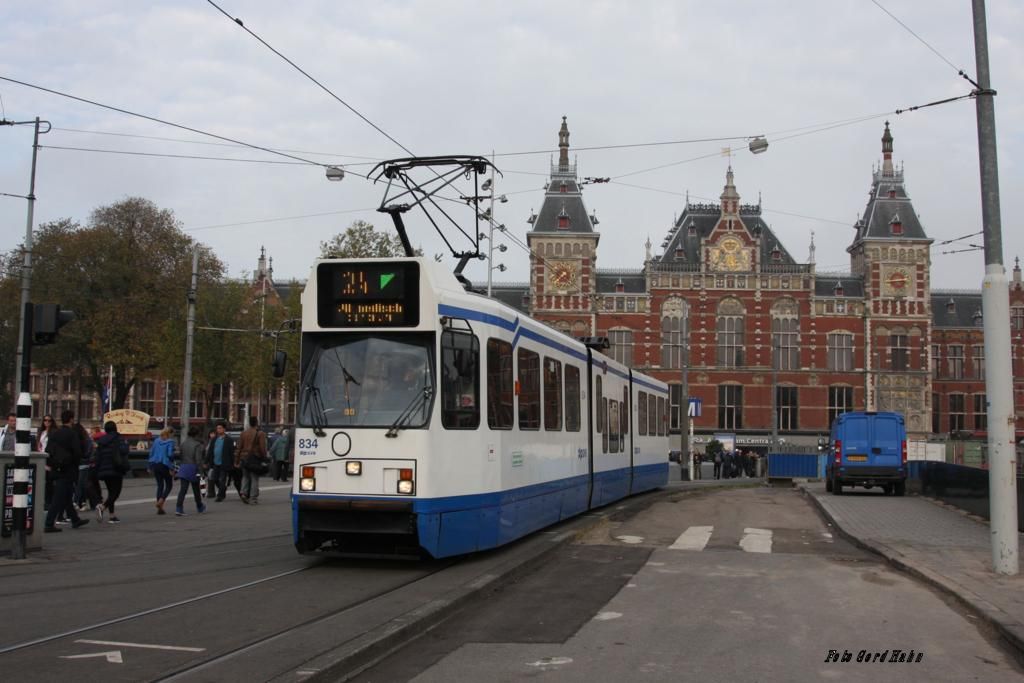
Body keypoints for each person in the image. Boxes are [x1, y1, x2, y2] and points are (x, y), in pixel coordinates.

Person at [43, 410, 89, 532]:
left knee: (67, 495)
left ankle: (75, 519)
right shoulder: (72, 434)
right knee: (58, 497)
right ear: (71, 420)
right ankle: (48, 523)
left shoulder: (55, 433)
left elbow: (48, 450)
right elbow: (77, 452)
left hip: (56, 468)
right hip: (68, 469)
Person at [94, 420, 130, 523]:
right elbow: (124, 451)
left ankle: (112, 516)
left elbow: (98, 456)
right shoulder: (118, 438)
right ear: (115, 428)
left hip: (104, 469)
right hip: (116, 468)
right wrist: (126, 445)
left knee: (111, 492)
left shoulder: (101, 441)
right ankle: (102, 507)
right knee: (116, 493)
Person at [175, 426, 207, 516]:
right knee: (196, 489)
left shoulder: (183, 443)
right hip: (193, 468)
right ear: (197, 434)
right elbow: (198, 460)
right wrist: (201, 471)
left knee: (183, 490)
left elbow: (180, 456)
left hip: (184, 467)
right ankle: (199, 506)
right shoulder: (198, 445)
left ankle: (179, 508)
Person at [236, 416, 268, 504]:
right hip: (254, 458)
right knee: (254, 478)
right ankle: (253, 498)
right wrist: (264, 457)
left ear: (249, 423)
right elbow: (262, 448)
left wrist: (237, 461)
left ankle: (243, 493)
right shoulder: (260, 434)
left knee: (245, 477)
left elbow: (239, 448)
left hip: (244, 458)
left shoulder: (243, 433)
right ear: (257, 423)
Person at [148, 427, 177, 515]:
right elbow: (169, 455)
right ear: (170, 434)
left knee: (160, 485)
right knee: (169, 485)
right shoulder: (170, 442)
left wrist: (149, 466)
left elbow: (151, 453)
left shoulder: (156, 441)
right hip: (165, 465)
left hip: (155, 464)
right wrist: (172, 465)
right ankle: (161, 500)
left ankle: (160, 509)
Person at [204, 422, 235, 503]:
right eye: (217, 428)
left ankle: (220, 496)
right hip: (215, 463)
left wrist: (233, 463)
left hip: (224, 463)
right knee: (214, 478)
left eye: (220, 428)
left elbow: (231, 452)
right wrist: (206, 461)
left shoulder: (229, 440)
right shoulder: (214, 439)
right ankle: (223, 489)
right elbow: (210, 451)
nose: (218, 430)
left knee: (222, 479)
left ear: (224, 429)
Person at [73, 421, 99, 511]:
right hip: (85, 463)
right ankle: (84, 502)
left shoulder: (83, 440)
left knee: (80, 483)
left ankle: (76, 501)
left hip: (82, 463)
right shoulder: (87, 439)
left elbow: (87, 453)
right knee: (83, 484)